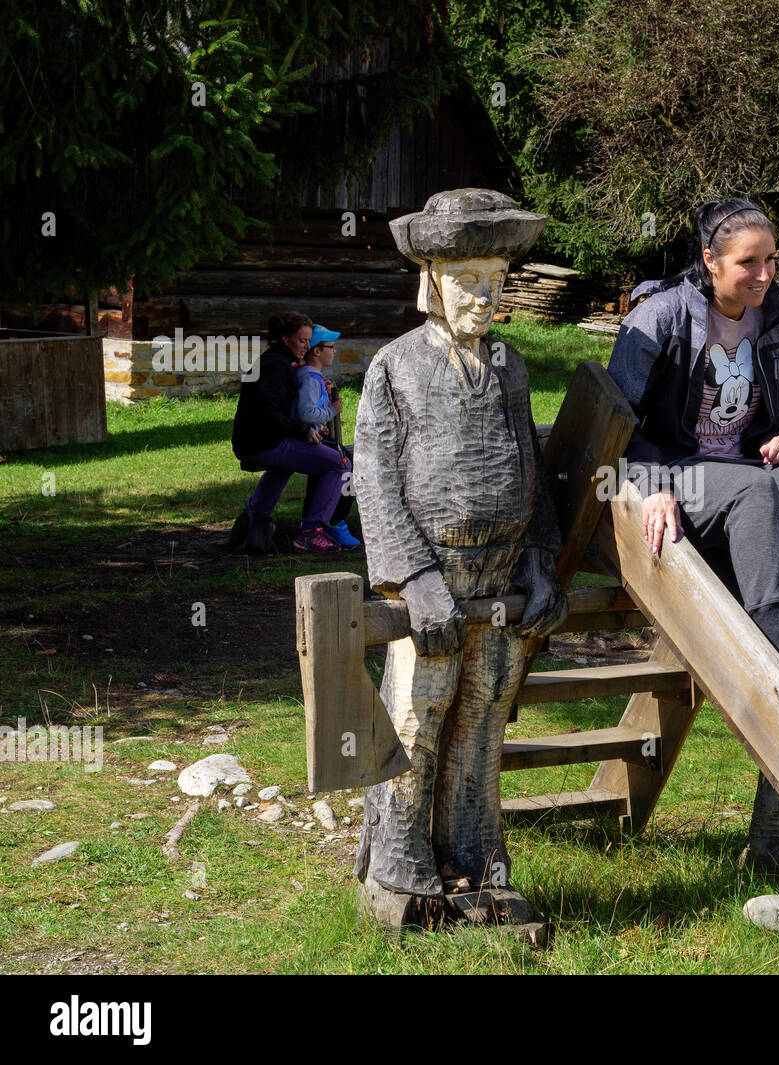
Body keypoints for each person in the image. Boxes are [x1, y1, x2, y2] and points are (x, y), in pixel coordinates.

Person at [352, 188, 567, 931]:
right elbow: (374, 479)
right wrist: (412, 579)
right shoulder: (395, 367)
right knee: (416, 718)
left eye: (497, 276)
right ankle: (401, 870)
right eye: (468, 276)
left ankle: (477, 863)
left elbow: (529, 467)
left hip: (501, 583)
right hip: (433, 583)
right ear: (432, 280)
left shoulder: (510, 368)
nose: (485, 293)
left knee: (482, 723)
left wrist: (540, 556)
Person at [609, 198, 779, 743]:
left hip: (746, 466)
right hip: (677, 468)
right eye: (748, 263)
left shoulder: (769, 315)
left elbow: (772, 410)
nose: (764, 274)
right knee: (753, 488)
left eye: (771, 260)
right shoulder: (660, 317)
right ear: (710, 260)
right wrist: (651, 486)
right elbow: (617, 419)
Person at [229, 312, 348, 554]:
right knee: (338, 464)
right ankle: (311, 533)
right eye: (302, 340)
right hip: (263, 442)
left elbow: (285, 400)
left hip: (254, 440)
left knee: (283, 467)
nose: (307, 346)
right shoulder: (276, 366)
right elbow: (267, 411)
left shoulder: (277, 361)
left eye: (308, 340)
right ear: (285, 339)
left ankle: (253, 522)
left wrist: (318, 391)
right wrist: (302, 430)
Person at [294, 323, 361, 549]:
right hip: (310, 439)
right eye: (331, 347)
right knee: (346, 464)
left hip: (315, 438)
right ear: (317, 351)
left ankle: (327, 519)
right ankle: (334, 520)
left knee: (344, 460)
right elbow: (306, 412)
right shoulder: (310, 378)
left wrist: (325, 393)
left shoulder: (313, 377)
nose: (335, 352)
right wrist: (333, 409)